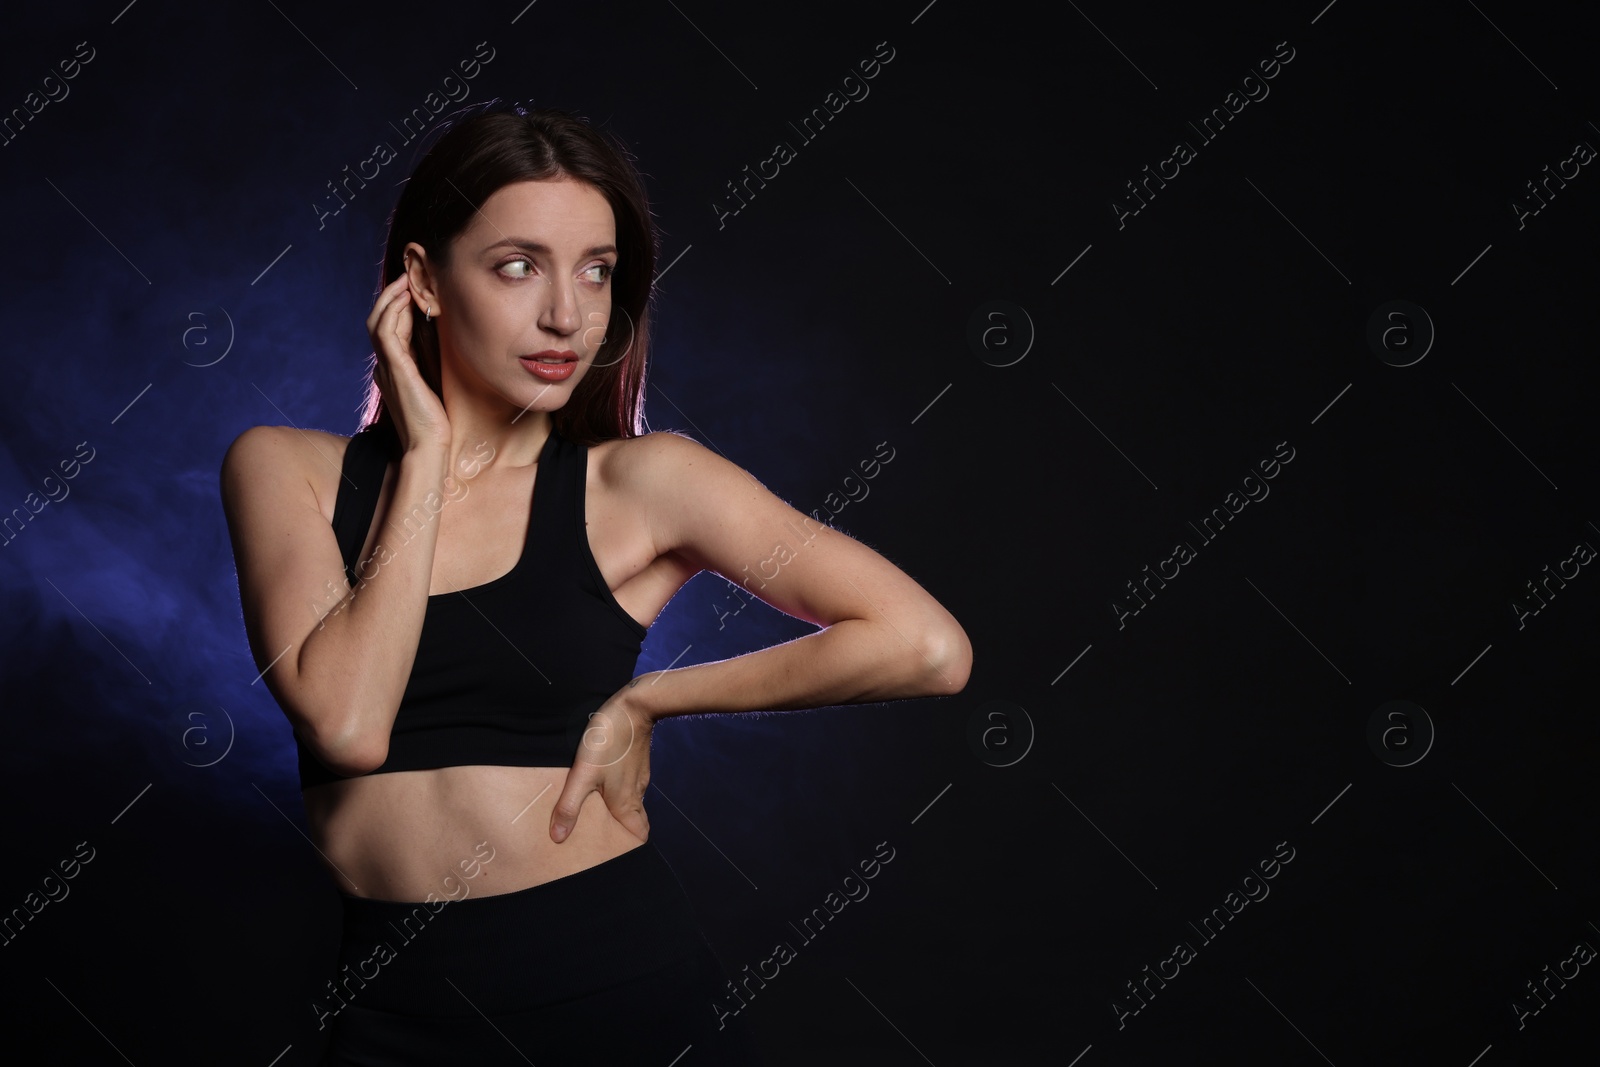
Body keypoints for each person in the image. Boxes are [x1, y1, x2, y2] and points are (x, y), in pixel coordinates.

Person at [219, 102, 972, 1065]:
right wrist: (429, 455)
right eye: (518, 265)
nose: (568, 316)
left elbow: (927, 645)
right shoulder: (288, 469)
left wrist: (653, 699)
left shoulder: (642, 484)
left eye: (598, 272)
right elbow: (350, 723)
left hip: (608, 990)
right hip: (390, 1009)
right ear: (423, 282)